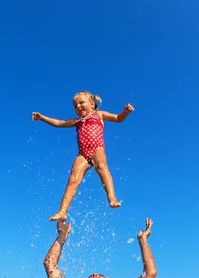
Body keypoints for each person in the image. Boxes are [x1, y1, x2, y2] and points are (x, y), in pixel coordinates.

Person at [32, 91, 134, 221]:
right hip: (83, 154)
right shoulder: (77, 121)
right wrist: (42, 118)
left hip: (97, 148)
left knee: (101, 166)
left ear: (92, 104)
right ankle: (63, 211)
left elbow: (118, 119)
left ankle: (112, 198)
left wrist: (125, 112)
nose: (78, 106)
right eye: (75, 105)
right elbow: (58, 123)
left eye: (81, 103)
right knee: (73, 179)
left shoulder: (99, 115)